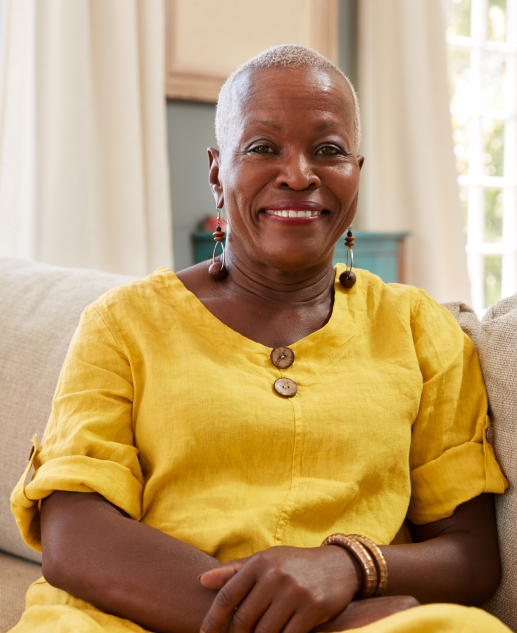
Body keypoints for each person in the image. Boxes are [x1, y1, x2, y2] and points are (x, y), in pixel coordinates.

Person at [10, 44, 510, 633]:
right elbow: (76, 538)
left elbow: (470, 555)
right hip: (138, 619)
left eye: (328, 150)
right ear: (218, 171)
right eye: (263, 148)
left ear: (355, 173)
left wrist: (350, 565)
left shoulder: (419, 329)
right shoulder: (124, 322)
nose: (299, 174)